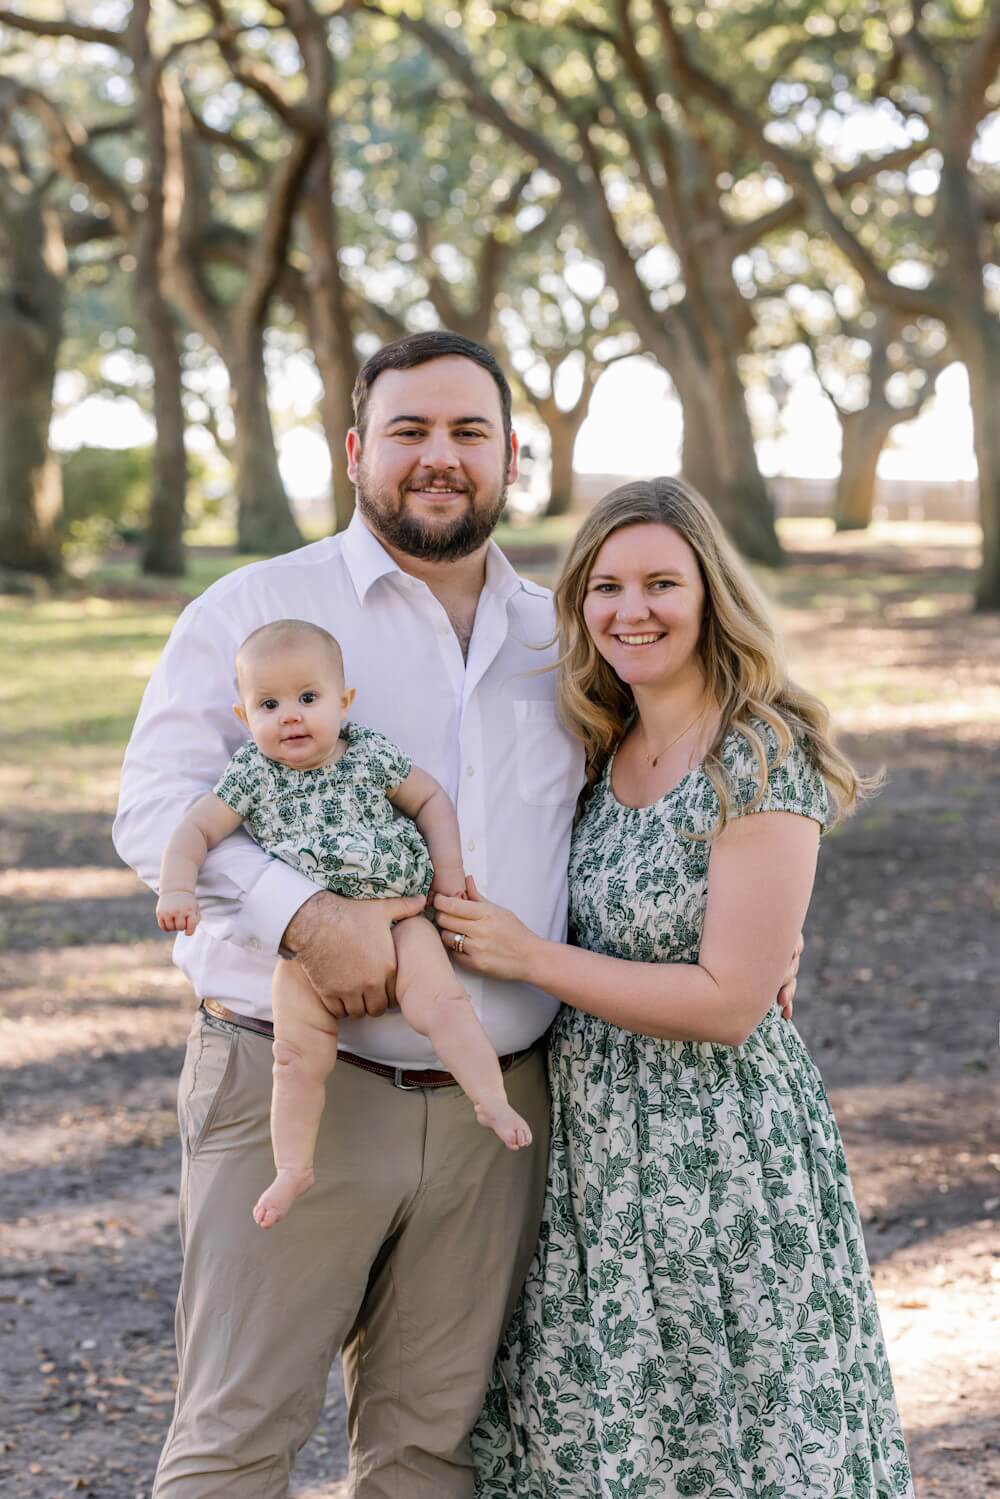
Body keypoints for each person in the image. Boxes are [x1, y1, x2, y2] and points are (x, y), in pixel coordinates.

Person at [114, 332, 798, 1498]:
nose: (441, 457)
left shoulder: (564, 636)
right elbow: (157, 808)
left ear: (510, 455)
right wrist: (301, 914)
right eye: (411, 430)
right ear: (354, 450)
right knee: (235, 1444)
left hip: (503, 1113)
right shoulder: (258, 607)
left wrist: (763, 925)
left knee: (435, 1452)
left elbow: (637, 809)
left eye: (469, 432)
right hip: (300, 1081)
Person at [432, 479, 914, 1497]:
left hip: (721, 1152)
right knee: (605, 1424)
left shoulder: (756, 751)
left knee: (739, 1428)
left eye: (661, 581)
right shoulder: (599, 745)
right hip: (596, 1150)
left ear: (711, 594)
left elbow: (730, 1001)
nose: (630, 608)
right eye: (604, 585)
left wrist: (527, 957)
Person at [155, 618, 532, 1231]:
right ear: (243, 714)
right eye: (268, 704)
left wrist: (449, 872)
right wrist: (178, 888)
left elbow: (431, 799)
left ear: (343, 702)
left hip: (405, 917)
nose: (291, 716)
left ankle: (490, 1101)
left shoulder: (369, 752)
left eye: (308, 699)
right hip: (305, 951)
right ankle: (292, 1167)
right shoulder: (253, 774)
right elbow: (194, 829)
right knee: (296, 1058)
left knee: (444, 1005)